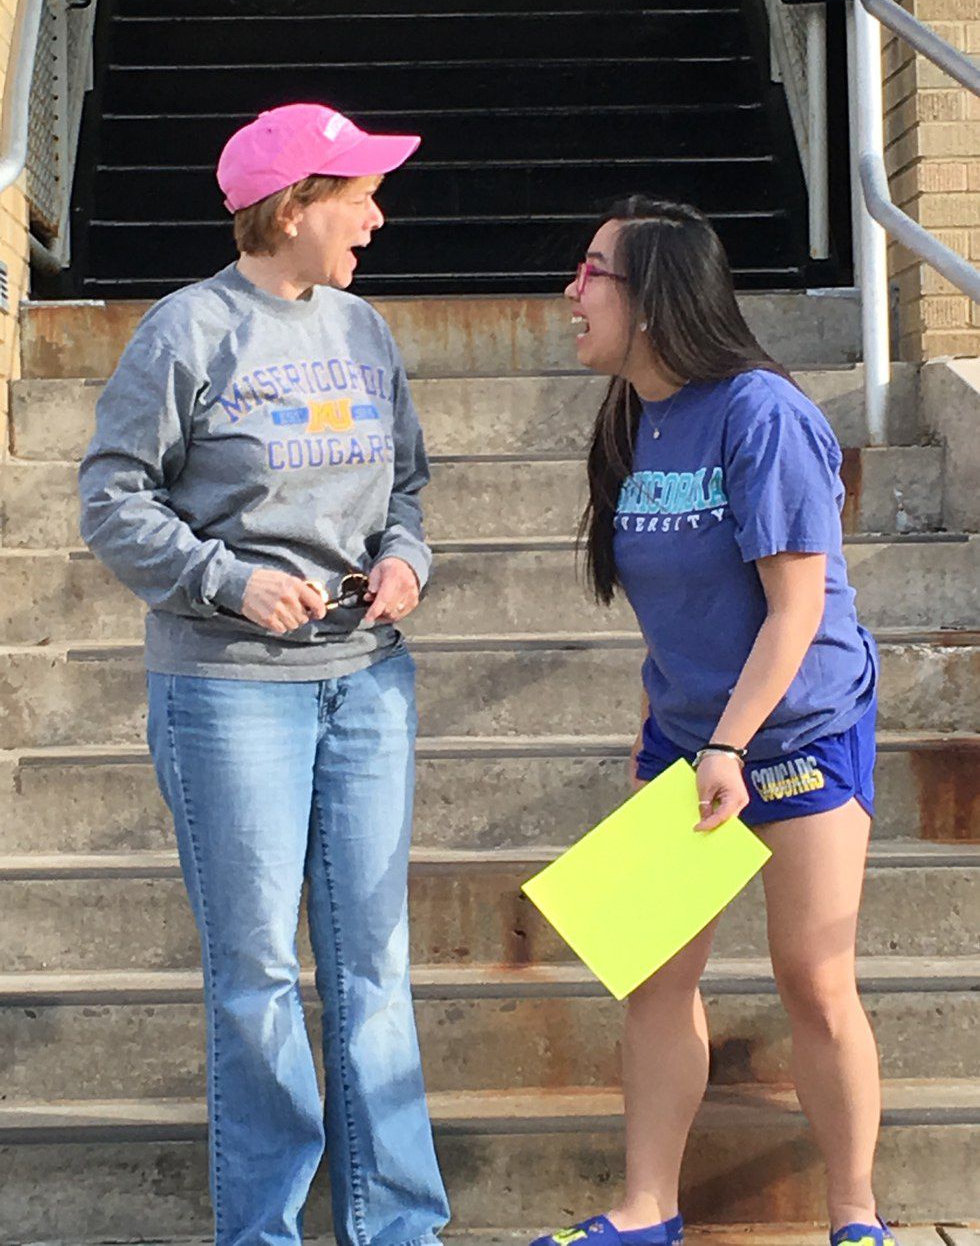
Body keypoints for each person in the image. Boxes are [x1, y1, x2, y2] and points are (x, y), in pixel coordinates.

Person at [79, 103, 450, 1246]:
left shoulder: (364, 332)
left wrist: (406, 559)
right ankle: (264, 1231)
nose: (376, 220)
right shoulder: (187, 331)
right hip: (230, 691)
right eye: (359, 197)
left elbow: (407, 491)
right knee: (256, 978)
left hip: (366, 681)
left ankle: (397, 1226)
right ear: (293, 208)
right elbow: (111, 498)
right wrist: (226, 580)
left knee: (372, 969)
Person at [532, 198, 896, 1246]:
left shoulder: (760, 412)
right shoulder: (633, 416)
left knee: (812, 979)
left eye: (591, 271)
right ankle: (646, 1211)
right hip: (690, 736)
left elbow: (795, 610)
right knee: (653, 972)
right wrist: (662, 724)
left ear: (653, 297)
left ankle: (854, 1216)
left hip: (798, 729)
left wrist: (729, 743)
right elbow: (675, 601)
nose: (572, 292)